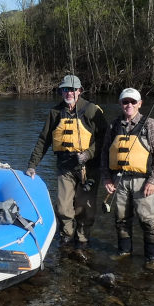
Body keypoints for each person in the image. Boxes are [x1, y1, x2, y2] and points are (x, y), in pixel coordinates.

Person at [26, 75, 108, 249]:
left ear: (80, 91)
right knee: (63, 208)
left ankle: (83, 239)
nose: (68, 93)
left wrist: (88, 153)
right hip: (65, 167)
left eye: (72, 89)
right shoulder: (55, 113)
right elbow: (44, 140)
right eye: (65, 89)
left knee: (84, 208)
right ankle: (67, 237)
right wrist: (33, 165)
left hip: (89, 168)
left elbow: (105, 139)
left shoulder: (92, 110)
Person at [101, 87, 154, 271]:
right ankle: (124, 252)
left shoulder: (149, 124)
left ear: (139, 104)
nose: (128, 105)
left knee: (148, 220)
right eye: (125, 102)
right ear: (120, 104)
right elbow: (105, 154)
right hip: (118, 181)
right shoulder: (114, 126)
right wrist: (106, 178)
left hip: (143, 182)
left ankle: (151, 257)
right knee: (121, 219)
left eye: (132, 102)